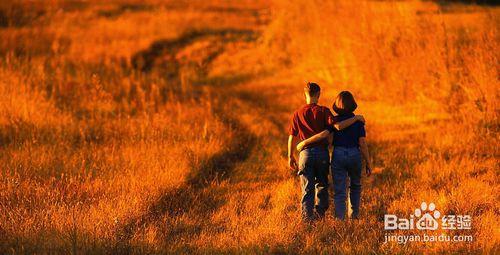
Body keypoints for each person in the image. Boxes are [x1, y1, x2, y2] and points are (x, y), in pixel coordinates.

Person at [288, 83, 365, 222]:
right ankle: (320, 215)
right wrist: (356, 118)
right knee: (322, 185)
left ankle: (307, 220)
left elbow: (291, 137)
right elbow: (333, 129)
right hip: (322, 154)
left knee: (307, 188)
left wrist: (290, 155)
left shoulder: (297, 113)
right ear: (318, 94)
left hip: (305, 155)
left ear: (304, 95)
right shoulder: (324, 111)